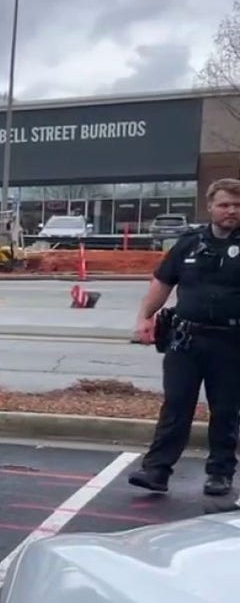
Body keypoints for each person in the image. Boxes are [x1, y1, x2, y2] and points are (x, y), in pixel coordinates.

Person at [128, 177, 240, 496]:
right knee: (176, 406)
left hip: (232, 343)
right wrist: (144, 317)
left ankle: (220, 473)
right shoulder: (189, 243)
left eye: (237, 205)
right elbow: (162, 283)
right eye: (224, 204)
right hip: (186, 341)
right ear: (210, 207)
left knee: (227, 410)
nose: (231, 210)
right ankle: (156, 471)